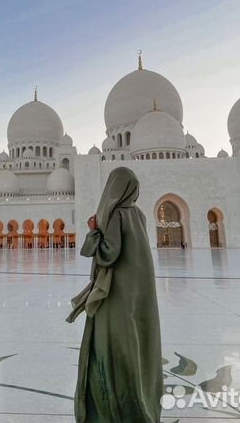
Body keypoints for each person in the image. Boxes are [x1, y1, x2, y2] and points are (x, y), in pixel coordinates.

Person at [67, 167, 163, 423]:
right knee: (137, 341)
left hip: (116, 293)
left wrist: (94, 229)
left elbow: (107, 254)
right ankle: (142, 398)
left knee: (110, 345)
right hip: (139, 293)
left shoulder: (115, 214)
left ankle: (111, 406)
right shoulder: (139, 214)